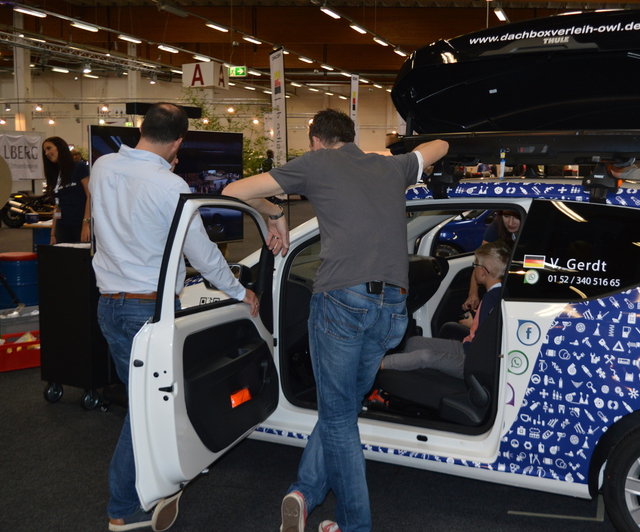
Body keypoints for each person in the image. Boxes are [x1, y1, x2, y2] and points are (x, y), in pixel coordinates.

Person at [222, 108, 448, 532]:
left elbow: (234, 190)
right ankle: (305, 491)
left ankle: (354, 525)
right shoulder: (391, 166)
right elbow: (441, 145)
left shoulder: (316, 163)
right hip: (392, 309)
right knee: (340, 410)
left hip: (342, 300)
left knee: (340, 417)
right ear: (352, 136)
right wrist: (394, 153)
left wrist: (275, 213)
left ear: (315, 140)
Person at [90, 103, 272, 532]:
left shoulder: (102, 167)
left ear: (141, 128)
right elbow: (203, 254)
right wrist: (240, 291)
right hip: (149, 311)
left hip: (108, 305)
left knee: (145, 403)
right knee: (145, 410)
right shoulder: (170, 186)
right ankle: (124, 506)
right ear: (178, 142)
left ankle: (160, 480)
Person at [380, 240, 510, 378]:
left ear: (483, 271)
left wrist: (471, 324)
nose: (474, 269)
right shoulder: (498, 293)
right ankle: (404, 377)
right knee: (414, 343)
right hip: (469, 347)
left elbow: (486, 335)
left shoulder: (491, 299)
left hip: (473, 362)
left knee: (425, 356)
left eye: (475, 265)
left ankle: (375, 365)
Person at [463, 210, 520, 311]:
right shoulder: (496, 228)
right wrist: (473, 294)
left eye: (516, 217)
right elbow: (482, 259)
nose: (510, 223)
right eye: (506, 216)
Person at [43, 137, 90, 244]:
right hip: (62, 228)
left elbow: (90, 195)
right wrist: (53, 234)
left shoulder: (79, 167)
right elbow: (57, 206)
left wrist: (86, 224)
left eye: (49, 148)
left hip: (80, 226)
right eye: (45, 151)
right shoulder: (56, 174)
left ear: (60, 147)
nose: (46, 153)